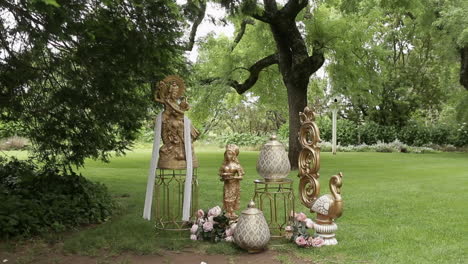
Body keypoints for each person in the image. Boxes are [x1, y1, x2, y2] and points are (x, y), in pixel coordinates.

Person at [219, 144, 244, 219]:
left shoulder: (237, 166)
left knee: (232, 198)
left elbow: (241, 176)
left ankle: (232, 211)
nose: (227, 155)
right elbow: (221, 175)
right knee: (226, 197)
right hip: (227, 184)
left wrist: (234, 177)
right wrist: (223, 177)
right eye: (226, 153)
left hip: (234, 185)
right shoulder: (224, 165)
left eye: (229, 154)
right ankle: (228, 211)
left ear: (234, 155)